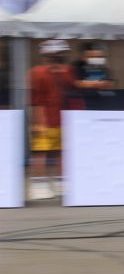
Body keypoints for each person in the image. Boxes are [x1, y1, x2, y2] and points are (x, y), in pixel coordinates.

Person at [29, 40, 78, 199]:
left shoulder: (68, 71)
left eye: (61, 53)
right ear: (46, 55)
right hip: (45, 118)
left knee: (62, 152)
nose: (58, 57)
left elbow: (74, 86)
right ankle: (38, 185)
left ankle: (61, 184)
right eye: (55, 54)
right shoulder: (37, 72)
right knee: (40, 153)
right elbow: (36, 99)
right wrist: (38, 122)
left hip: (64, 117)